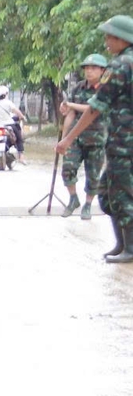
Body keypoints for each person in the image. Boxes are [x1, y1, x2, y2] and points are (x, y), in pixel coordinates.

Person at [55, 15, 133, 261]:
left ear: (122, 39)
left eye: (109, 37)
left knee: (120, 195)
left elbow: (95, 108)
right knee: (109, 193)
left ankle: (130, 249)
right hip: (122, 141)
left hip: (124, 143)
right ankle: (122, 246)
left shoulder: (121, 65)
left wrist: (68, 139)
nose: (106, 41)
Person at [58, 54, 112, 218]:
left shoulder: (106, 89)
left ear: (102, 71)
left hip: (96, 139)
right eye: (87, 68)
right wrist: (64, 137)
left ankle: (88, 204)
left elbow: (93, 109)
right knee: (68, 168)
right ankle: (73, 199)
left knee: (93, 175)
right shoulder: (78, 88)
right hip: (76, 138)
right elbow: (71, 114)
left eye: (93, 68)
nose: (89, 71)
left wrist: (70, 104)